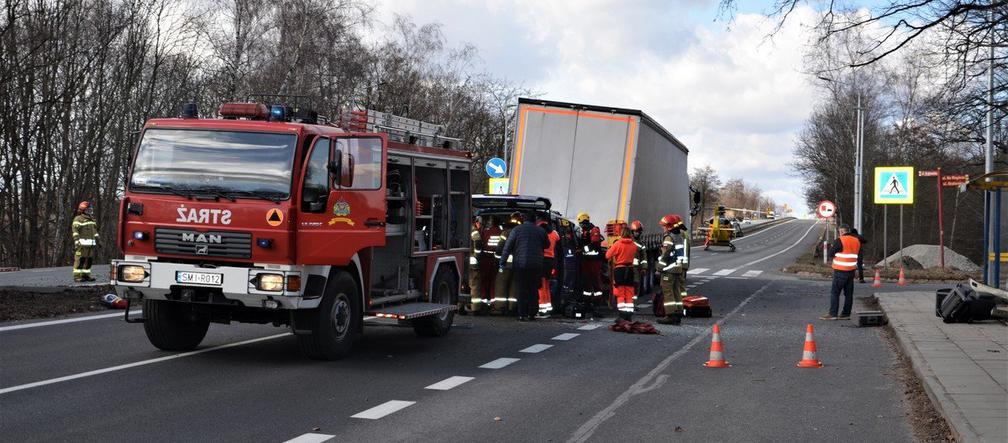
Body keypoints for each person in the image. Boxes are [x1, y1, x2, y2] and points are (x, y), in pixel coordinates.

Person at [500, 211, 548, 321]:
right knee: (533, 289)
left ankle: (522, 314)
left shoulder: (516, 230)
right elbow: (547, 244)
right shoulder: (541, 231)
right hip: (536, 265)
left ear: (523, 220)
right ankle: (532, 314)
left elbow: (507, 247)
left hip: (520, 265)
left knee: (521, 289)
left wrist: (502, 262)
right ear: (534, 220)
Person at [822, 224, 861, 320]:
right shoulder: (856, 241)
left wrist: (832, 247)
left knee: (835, 293)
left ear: (842, 231)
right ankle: (846, 314)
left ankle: (833, 314)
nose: (839, 233)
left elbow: (831, 254)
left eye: (840, 232)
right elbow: (857, 255)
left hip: (840, 270)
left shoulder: (840, 240)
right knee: (848, 294)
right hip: (851, 270)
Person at [656, 214, 689, 325]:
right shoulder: (679, 236)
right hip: (677, 269)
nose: (663, 228)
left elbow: (666, 255)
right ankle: (678, 313)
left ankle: (670, 315)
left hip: (669, 270)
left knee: (668, 292)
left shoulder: (669, 237)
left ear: (669, 226)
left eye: (664, 226)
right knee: (676, 292)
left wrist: (659, 268)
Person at [606, 227, 638, 321]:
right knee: (629, 292)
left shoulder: (618, 244)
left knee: (620, 293)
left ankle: (622, 315)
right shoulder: (633, 245)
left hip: (620, 270)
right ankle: (629, 315)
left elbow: (607, 255)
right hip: (630, 270)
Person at [492, 214, 520, 313]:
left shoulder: (505, 233)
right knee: (514, 285)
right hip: (517, 265)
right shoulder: (520, 233)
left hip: (506, 265)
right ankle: (512, 307)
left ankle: (500, 307)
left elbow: (500, 248)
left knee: (501, 283)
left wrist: (498, 261)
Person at [577, 212, 604, 300]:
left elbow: (594, 245)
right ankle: (587, 299)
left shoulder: (594, 230)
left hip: (594, 260)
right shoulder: (584, 231)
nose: (581, 226)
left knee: (595, 280)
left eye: (581, 224)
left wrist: (582, 250)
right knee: (587, 280)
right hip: (587, 260)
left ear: (585, 222)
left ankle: (597, 299)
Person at [537, 214, 560, 318]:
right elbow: (558, 239)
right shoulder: (554, 233)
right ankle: (547, 308)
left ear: (540, 220)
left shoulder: (538, 231)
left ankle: (542, 310)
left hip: (541, 259)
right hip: (550, 261)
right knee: (546, 285)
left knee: (540, 286)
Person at [72, 201, 99, 282]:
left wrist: (99, 240)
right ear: (83, 210)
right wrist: (76, 241)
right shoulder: (78, 219)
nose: (90, 211)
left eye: (90, 210)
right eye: (88, 210)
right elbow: (75, 231)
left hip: (91, 245)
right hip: (82, 245)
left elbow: (95, 232)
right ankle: (77, 276)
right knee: (80, 260)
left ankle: (86, 275)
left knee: (89, 261)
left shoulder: (92, 220)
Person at [467, 217, 490, 314]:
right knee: (475, 285)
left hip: (464, 262)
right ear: (475, 222)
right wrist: (478, 256)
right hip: (473, 263)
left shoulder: (462, 228)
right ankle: (476, 308)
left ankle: (460, 307)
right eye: (480, 223)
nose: (480, 225)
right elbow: (478, 242)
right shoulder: (474, 231)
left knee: (463, 285)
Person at [629, 220, 650, 299]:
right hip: (627, 267)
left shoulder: (641, 244)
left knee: (636, 285)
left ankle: (633, 304)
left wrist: (644, 268)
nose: (637, 233)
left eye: (639, 231)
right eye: (636, 231)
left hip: (636, 269)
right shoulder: (628, 241)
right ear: (632, 231)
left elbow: (644, 257)